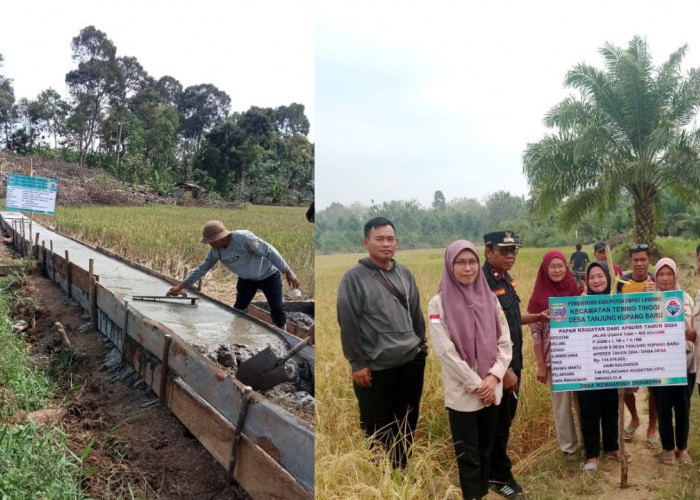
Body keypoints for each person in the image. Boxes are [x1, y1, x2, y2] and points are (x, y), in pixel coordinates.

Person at [336, 216, 427, 469]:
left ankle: (401, 468)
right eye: (379, 239)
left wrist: (421, 346)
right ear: (366, 242)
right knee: (376, 424)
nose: (386, 244)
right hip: (375, 368)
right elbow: (348, 321)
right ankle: (378, 474)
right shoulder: (353, 278)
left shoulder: (404, 273)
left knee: (407, 420)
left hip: (410, 361)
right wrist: (357, 363)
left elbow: (416, 312)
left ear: (397, 242)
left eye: (390, 239)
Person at [429, 240, 512, 499]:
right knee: (468, 454)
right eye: (460, 262)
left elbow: (505, 341)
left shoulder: (490, 298)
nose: (468, 268)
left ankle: (483, 493)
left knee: (486, 449)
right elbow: (445, 352)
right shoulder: (437, 304)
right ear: (449, 266)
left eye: (472, 261)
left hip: (491, 387)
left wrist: (494, 376)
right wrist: (477, 384)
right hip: (464, 392)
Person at [482, 231, 542, 499]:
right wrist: (503, 371)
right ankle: (498, 476)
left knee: (504, 420)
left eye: (514, 251)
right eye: (504, 251)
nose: (510, 256)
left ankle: (493, 471)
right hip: (499, 370)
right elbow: (483, 334)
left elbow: (512, 318)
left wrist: (539, 316)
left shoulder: (504, 278)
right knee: (497, 423)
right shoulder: (482, 282)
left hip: (513, 363)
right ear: (488, 251)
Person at [167, 220, 300, 328]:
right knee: (238, 310)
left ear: (221, 237)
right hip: (246, 280)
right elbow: (202, 269)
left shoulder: (244, 238)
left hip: (268, 276)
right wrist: (181, 286)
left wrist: (287, 271)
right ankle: (238, 333)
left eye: (211, 241)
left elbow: (269, 251)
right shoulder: (215, 251)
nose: (210, 244)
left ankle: (283, 333)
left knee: (277, 309)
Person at [528, 250, 582, 455]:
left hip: (579, 358)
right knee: (562, 406)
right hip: (555, 361)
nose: (558, 270)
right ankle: (569, 447)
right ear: (545, 269)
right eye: (553, 266)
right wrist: (540, 365)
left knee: (583, 403)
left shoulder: (575, 291)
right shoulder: (538, 298)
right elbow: (536, 335)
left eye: (561, 265)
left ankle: (589, 442)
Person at [578, 261, 626, 472]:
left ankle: (612, 448)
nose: (597, 281)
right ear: (588, 281)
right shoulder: (579, 302)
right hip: (587, 365)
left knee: (610, 406)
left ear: (609, 278)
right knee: (589, 408)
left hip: (611, 362)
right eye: (593, 277)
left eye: (601, 276)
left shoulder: (617, 302)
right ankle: (591, 455)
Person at [651, 258, 695, 465]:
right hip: (658, 364)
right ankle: (668, 448)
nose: (665, 278)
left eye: (669, 274)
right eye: (661, 274)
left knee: (683, 407)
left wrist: (687, 334)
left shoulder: (686, 299)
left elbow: (695, 335)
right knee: (663, 406)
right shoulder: (648, 301)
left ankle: (682, 448)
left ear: (675, 275)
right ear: (655, 276)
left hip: (685, 362)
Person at [616, 243, 659, 449]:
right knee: (626, 387)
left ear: (649, 260)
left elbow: (666, 308)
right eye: (636, 260)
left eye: (643, 259)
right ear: (630, 261)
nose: (640, 263)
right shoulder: (621, 282)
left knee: (654, 388)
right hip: (628, 341)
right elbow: (612, 307)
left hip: (652, 341)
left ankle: (652, 426)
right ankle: (634, 417)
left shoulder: (657, 280)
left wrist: (654, 295)